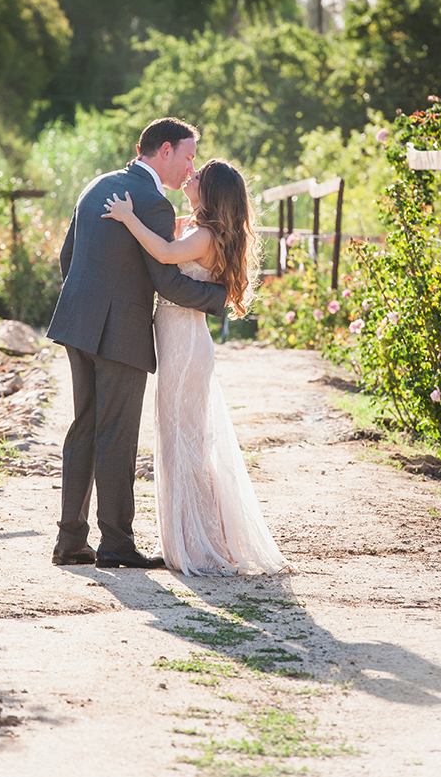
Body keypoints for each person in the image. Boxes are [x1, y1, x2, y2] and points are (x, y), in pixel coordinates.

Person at [46, 118, 227, 569]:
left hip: (76, 325)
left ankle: (70, 543)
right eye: (187, 155)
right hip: (120, 333)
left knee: (83, 428)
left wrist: (87, 305)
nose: (190, 166)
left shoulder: (97, 184)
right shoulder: (152, 203)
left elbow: (66, 257)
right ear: (163, 150)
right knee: (117, 436)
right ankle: (116, 544)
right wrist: (221, 297)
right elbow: (168, 282)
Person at [103, 159, 296, 576]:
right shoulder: (200, 227)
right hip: (183, 340)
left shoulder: (205, 234)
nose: (189, 177)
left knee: (184, 444)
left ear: (212, 193)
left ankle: (204, 545)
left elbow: (166, 254)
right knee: (183, 443)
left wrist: (129, 217)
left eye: (198, 178)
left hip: (185, 346)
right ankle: (201, 538)